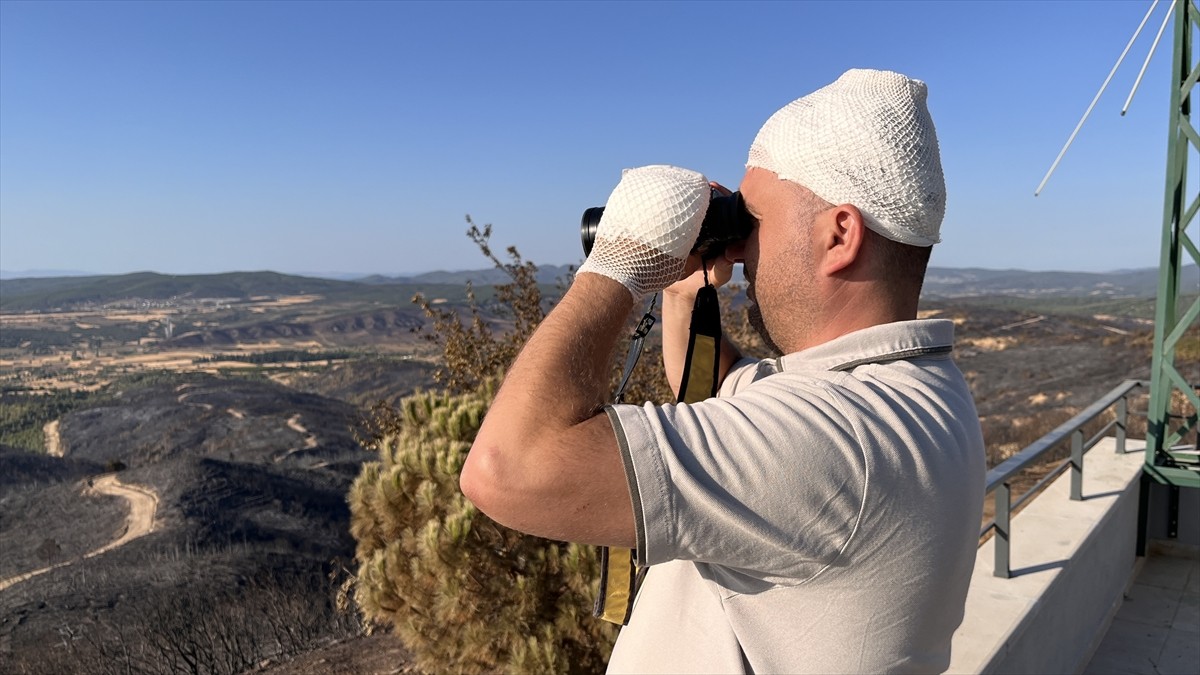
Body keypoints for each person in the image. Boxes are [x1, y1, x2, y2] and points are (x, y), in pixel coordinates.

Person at [460, 69, 986, 674]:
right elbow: (720, 385)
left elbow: (507, 468)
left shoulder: (835, 442)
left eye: (752, 221)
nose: (738, 249)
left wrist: (619, 263)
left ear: (840, 234)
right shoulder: (912, 390)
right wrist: (684, 293)